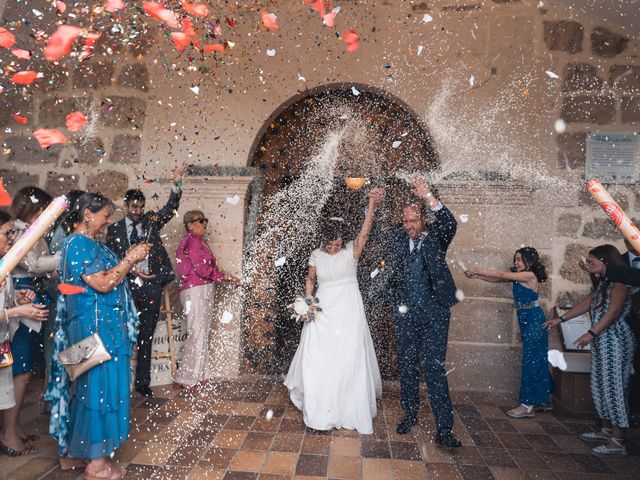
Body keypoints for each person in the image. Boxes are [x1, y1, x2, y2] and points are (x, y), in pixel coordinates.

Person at [46, 193, 150, 478]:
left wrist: (129, 266)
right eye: (104, 215)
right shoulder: (77, 243)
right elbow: (103, 283)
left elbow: (107, 276)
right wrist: (129, 258)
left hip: (105, 327)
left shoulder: (91, 244)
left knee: (96, 389)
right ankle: (97, 465)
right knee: (98, 391)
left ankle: (89, 455)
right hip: (94, 330)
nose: (107, 221)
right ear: (87, 215)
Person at [284, 188, 385, 434]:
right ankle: (321, 404)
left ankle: (347, 405)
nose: (332, 248)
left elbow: (365, 231)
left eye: (336, 243)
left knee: (348, 355)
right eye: (328, 243)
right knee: (318, 354)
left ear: (343, 240)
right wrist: (308, 301)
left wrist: (372, 204)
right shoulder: (316, 254)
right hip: (323, 308)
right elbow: (311, 279)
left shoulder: (352, 250)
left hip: (348, 307)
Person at [372, 178, 460, 446]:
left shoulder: (437, 236)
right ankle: (409, 414)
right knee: (407, 367)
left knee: (434, 369)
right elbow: (373, 235)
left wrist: (429, 196)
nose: (409, 226)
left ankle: (444, 429)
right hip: (405, 314)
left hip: (435, 314)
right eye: (406, 221)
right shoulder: (398, 238)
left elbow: (451, 223)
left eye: (414, 221)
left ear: (423, 220)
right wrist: (373, 205)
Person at [544, 244, 636, 457]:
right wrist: (560, 319)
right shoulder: (603, 281)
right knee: (600, 384)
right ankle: (605, 430)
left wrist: (591, 333)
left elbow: (612, 313)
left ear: (605, 263)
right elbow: (589, 302)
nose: (589, 265)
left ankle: (618, 441)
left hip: (615, 338)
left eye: (592, 262)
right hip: (602, 339)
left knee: (614, 388)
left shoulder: (620, 282)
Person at [106, 165, 184, 398]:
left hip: (150, 285)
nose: (138, 211)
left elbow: (171, 209)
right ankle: (119, 381)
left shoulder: (152, 221)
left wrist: (176, 184)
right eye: (134, 207)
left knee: (146, 335)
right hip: (125, 287)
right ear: (125, 206)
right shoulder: (114, 229)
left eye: (141, 207)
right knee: (121, 333)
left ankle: (142, 383)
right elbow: (111, 260)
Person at [465, 247, 552, 418]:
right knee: (537, 359)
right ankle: (542, 399)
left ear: (530, 261)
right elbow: (497, 280)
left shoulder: (530, 275)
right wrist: (477, 276)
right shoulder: (519, 277)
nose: (516, 263)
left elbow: (502, 275)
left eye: (519, 259)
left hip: (535, 321)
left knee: (531, 361)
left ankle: (527, 405)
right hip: (527, 321)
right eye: (515, 259)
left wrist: (477, 269)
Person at [6, 187, 59, 448]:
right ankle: (9, 433)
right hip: (19, 300)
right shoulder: (15, 230)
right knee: (20, 370)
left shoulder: (31, 228)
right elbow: (33, 263)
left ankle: (15, 427)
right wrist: (64, 258)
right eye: (43, 209)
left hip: (33, 295)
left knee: (26, 370)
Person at [174, 209, 241, 393]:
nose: (204, 224)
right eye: (200, 221)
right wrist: (227, 277)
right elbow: (203, 270)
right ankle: (189, 379)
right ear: (189, 225)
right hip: (196, 289)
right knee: (197, 333)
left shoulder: (198, 241)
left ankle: (194, 376)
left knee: (199, 333)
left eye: (205, 220)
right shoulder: (193, 241)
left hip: (199, 289)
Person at [0, 211, 49, 456]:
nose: (12, 238)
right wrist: (21, 311)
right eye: (7, 232)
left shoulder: (4, 265)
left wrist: (19, 297)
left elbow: (4, 301)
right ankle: (7, 436)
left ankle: (10, 431)